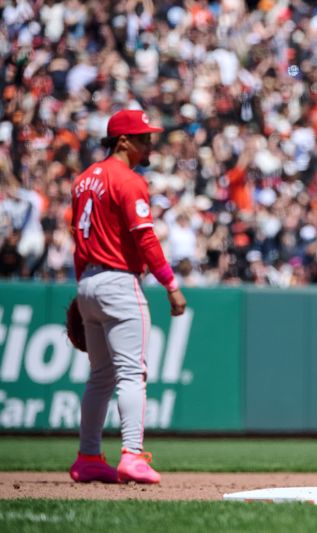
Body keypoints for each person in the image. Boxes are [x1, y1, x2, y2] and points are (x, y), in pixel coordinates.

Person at [68, 109, 187, 484]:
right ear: (123, 141)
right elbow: (145, 238)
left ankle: (88, 457)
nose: (149, 143)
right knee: (131, 374)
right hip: (119, 282)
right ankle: (132, 455)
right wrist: (170, 284)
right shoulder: (129, 180)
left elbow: (78, 242)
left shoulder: (83, 180)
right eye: (143, 138)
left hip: (88, 280)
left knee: (100, 377)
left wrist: (81, 288)